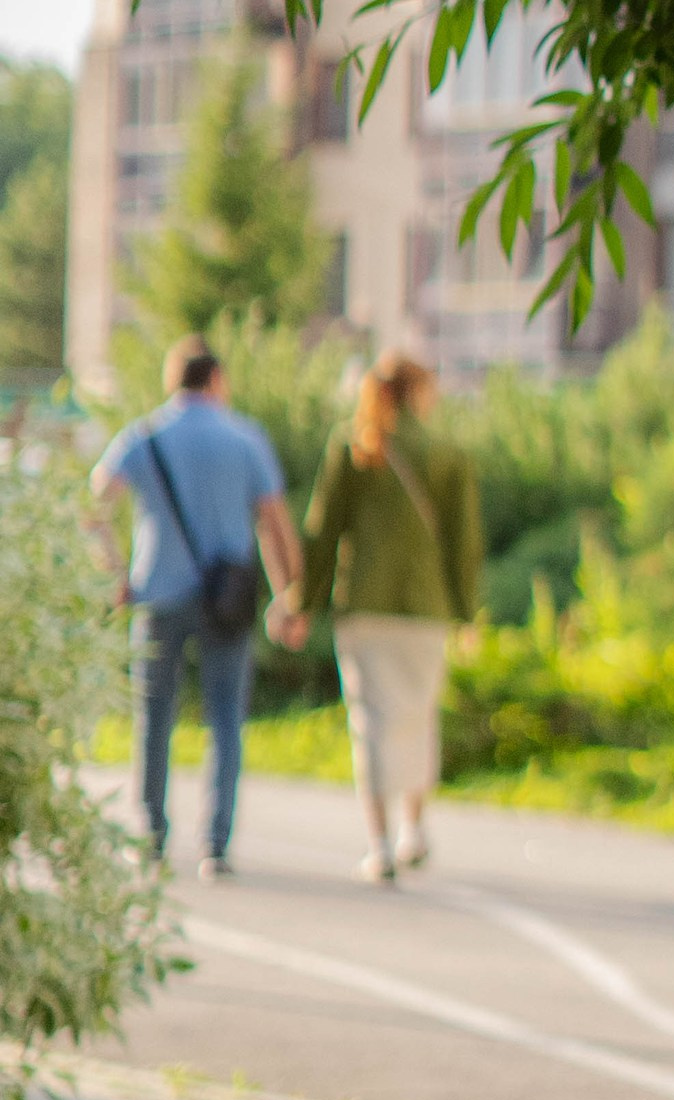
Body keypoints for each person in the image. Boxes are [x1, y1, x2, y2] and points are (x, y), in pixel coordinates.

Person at [90, 336, 305, 879]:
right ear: (216, 380)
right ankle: (216, 842)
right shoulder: (246, 438)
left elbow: (93, 505)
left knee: (153, 717)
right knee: (225, 718)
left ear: (173, 380)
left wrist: (115, 575)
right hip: (226, 601)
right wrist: (287, 596)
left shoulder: (142, 437)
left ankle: (152, 834)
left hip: (156, 594)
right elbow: (275, 524)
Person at [285, 349, 481, 884]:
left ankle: (378, 844)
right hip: (426, 608)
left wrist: (303, 602)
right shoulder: (447, 453)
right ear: (421, 392)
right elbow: (464, 546)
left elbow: (323, 532)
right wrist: (467, 615)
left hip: (365, 607)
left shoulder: (356, 448)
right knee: (418, 715)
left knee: (370, 721)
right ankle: (413, 829)